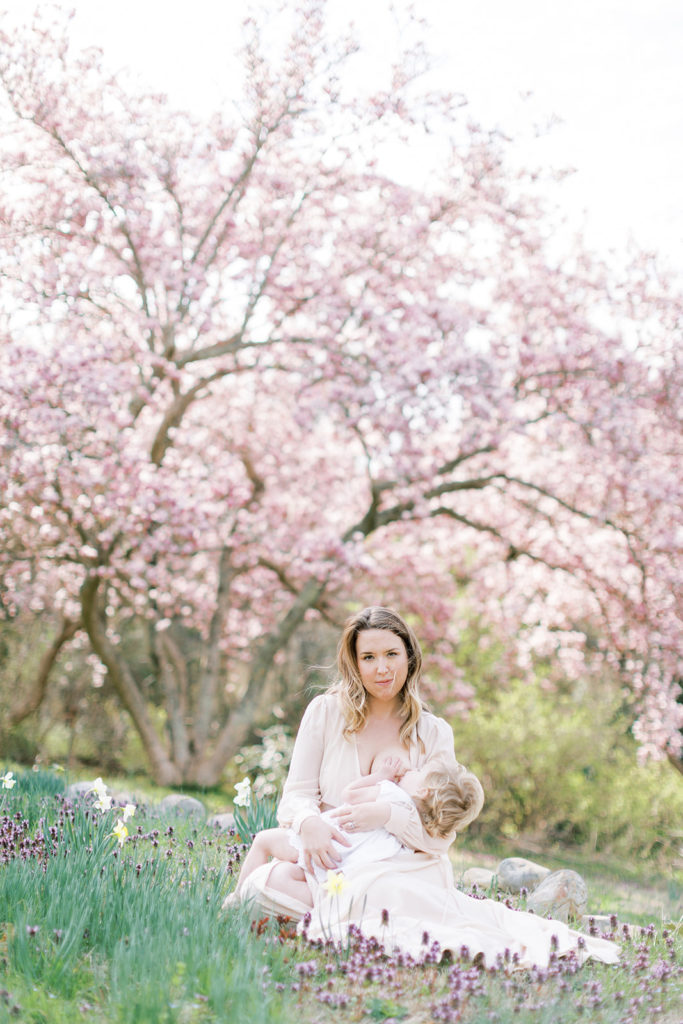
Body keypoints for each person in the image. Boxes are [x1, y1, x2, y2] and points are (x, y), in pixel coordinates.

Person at [233, 606, 619, 968]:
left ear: (410, 657)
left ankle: (332, 918)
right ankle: (314, 913)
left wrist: (387, 815)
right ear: (354, 663)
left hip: (404, 868)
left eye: (391, 654)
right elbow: (297, 794)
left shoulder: (434, 734)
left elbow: (440, 834)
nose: (382, 668)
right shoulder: (326, 712)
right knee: (272, 883)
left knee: (373, 903)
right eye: (368, 657)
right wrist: (308, 824)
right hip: (333, 853)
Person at [228, 752, 484, 904]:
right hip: (344, 867)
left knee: (263, 840)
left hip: (330, 841)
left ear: (423, 790)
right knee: (295, 878)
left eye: (419, 771)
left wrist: (381, 775)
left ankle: (235, 900)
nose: (413, 770)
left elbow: (349, 794)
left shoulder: (391, 794)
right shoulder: (418, 831)